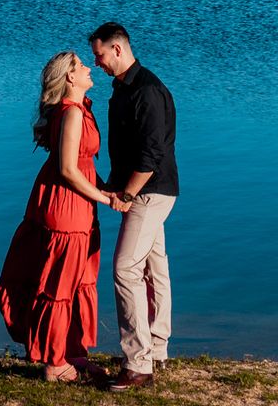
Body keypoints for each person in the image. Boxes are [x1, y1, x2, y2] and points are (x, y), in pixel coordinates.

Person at [0, 51, 122, 383]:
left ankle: (73, 354)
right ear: (69, 77)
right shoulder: (71, 114)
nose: (89, 68)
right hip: (67, 204)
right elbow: (68, 169)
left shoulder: (78, 110)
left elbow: (80, 165)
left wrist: (104, 186)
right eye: (82, 66)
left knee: (78, 279)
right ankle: (55, 363)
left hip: (75, 201)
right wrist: (105, 197)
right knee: (60, 283)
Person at [89, 21, 178, 392]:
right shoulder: (123, 89)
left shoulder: (148, 91)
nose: (97, 64)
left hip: (150, 192)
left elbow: (151, 154)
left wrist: (126, 194)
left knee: (125, 268)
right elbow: (129, 148)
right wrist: (112, 183)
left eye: (100, 56)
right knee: (153, 268)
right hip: (140, 189)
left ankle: (138, 363)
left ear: (118, 49)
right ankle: (156, 348)